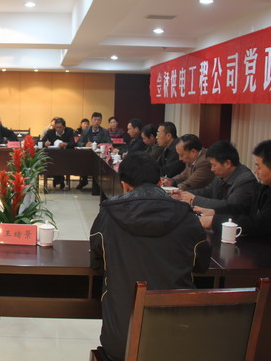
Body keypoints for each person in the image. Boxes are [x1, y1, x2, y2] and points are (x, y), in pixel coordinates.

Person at [90, 152, 210, 361]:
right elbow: (201, 264)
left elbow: (96, 262)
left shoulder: (108, 215)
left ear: (125, 185)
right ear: (160, 182)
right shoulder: (187, 216)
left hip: (122, 344)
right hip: (177, 342)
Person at [200, 139, 271, 260]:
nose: (255, 171)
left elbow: (258, 224)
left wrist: (214, 220)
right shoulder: (267, 184)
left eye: (259, 166)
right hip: (260, 249)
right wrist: (214, 212)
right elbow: (244, 207)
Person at [174, 140, 257, 216]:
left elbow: (229, 206)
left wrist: (194, 199)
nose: (212, 169)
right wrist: (184, 194)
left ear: (227, 163)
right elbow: (207, 191)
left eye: (214, 165)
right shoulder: (221, 175)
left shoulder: (245, 181)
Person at [77, 112, 111, 189]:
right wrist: (85, 144)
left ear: (101, 121)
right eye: (95, 120)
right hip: (88, 155)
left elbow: (109, 143)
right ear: (91, 120)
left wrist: (101, 145)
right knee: (83, 160)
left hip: (100, 155)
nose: (96, 122)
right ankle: (84, 180)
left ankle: (98, 184)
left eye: (98, 120)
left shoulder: (105, 131)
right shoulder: (85, 131)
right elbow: (79, 142)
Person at [43, 117, 75, 189]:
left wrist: (66, 144)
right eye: (56, 127)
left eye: (60, 127)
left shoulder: (69, 131)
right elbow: (41, 141)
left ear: (64, 127)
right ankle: (60, 179)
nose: (58, 129)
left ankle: (58, 179)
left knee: (61, 162)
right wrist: (45, 143)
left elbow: (73, 143)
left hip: (66, 156)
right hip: (53, 156)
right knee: (52, 162)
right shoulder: (50, 132)